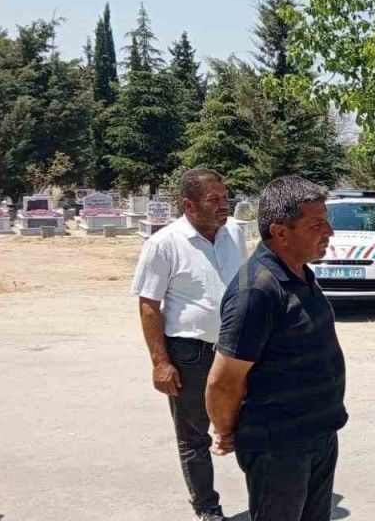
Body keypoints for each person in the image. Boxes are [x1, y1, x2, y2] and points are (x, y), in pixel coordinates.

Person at [206, 176, 346, 521]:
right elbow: (223, 381)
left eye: (326, 221)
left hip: (317, 435)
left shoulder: (299, 274)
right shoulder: (257, 290)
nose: (329, 231)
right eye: (316, 224)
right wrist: (226, 430)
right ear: (281, 232)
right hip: (279, 446)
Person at [130, 169, 245, 521]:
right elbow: (149, 304)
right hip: (190, 354)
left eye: (225, 197)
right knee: (194, 436)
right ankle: (207, 508)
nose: (223, 205)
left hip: (237, 351)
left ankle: (268, 500)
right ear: (189, 205)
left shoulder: (235, 233)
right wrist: (160, 362)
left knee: (252, 425)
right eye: (214, 200)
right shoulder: (164, 243)